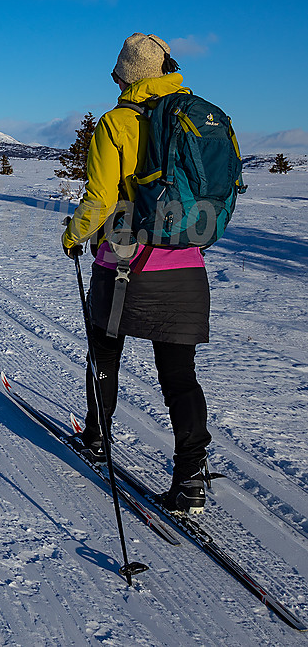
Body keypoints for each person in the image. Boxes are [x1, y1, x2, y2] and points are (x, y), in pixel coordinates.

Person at [62, 32, 211, 513]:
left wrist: (73, 234)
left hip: (124, 264)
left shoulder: (116, 123)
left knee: (103, 353)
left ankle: (98, 438)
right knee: (179, 375)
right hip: (186, 264)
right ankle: (190, 478)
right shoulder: (192, 117)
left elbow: (101, 198)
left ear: (124, 76)